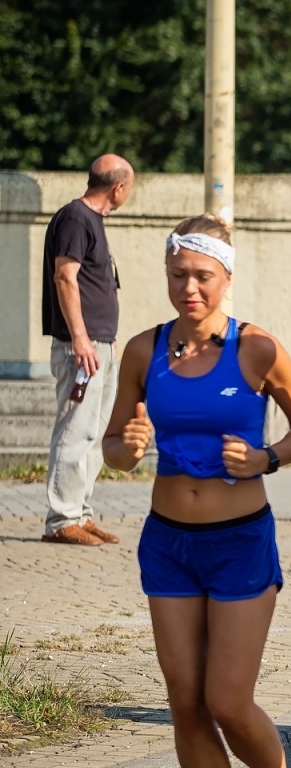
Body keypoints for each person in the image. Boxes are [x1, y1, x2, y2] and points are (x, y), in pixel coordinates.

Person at [102, 215, 291, 768]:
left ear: (226, 277)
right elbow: (114, 446)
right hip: (168, 544)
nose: (190, 287)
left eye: (202, 275)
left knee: (228, 700)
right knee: (186, 703)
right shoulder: (144, 350)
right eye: (178, 275)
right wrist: (127, 448)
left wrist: (266, 458)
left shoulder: (256, 348)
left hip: (239, 542)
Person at [41, 155, 135, 547]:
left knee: (94, 432)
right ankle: (61, 520)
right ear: (119, 187)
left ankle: (80, 513)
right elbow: (65, 277)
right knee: (75, 430)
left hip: (99, 345)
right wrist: (80, 338)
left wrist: (104, 339)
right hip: (81, 348)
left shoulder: (91, 220)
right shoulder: (76, 218)